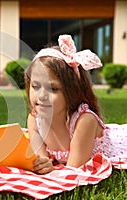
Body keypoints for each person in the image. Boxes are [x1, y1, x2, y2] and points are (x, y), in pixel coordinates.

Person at [25, 34, 127, 174]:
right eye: (35, 86)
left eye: (53, 89)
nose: (41, 96)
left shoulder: (83, 121)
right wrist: (43, 164)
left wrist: (52, 171)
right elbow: (41, 158)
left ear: (72, 91)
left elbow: (73, 170)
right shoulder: (34, 120)